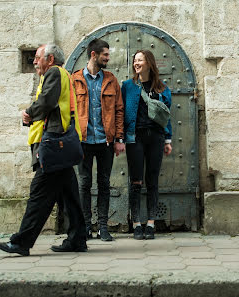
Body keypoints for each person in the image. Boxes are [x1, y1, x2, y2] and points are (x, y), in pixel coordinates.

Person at [0, 43, 87, 256]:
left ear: (50, 59)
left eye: (38, 57)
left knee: (39, 193)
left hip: (54, 144)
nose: (35, 61)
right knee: (69, 194)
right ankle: (77, 238)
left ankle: (21, 242)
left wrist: (29, 112)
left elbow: (46, 101)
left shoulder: (54, 72)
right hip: (60, 143)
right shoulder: (63, 74)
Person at [71, 39, 125, 241]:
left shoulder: (111, 79)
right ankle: (86, 226)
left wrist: (119, 138)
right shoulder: (74, 79)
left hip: (105, 142)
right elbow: (69, 111)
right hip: (83, 142)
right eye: (105, 55)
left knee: (104, 183)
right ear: (93, 54)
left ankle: (103, 227)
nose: (108, 58)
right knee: (84, 184)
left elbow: (119, 110)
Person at [121, 50, 172, 240]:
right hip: (135, 138)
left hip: (156, 138)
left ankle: (150, 223)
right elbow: (121, 112)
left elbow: (166, 117)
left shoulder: (161, 88)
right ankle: (136, 224)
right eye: (135, 60)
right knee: (136, 181)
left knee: (152, 180)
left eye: (140, 60)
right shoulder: (128, 86)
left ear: (149, 63)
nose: (136, 63)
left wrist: (168, 139)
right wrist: (120, 137)